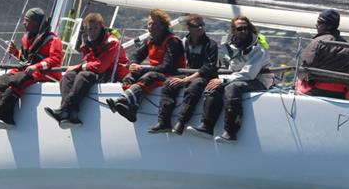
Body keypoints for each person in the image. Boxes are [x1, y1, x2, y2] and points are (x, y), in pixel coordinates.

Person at [187, 15, 273, 143]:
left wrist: (224, 80)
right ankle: (206, 126)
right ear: (233, 30)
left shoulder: (258, 48)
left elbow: (249, 74)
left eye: (246, 28)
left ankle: (231, 132)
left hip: (259, 80)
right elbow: (231, 67)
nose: (243, 31)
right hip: (237, 76)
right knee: (213, 85)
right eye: (239, 29)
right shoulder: (228, 45)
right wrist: (219, 80)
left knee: (233, 88)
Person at [43, 12, 129, 128]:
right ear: (85, 29)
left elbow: (101, 66)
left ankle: (64, 109)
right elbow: (88, 62)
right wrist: (78, 68)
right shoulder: (86, 42)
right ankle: (72, 115)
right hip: (96, 70)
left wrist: (78, 67)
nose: (93, 31)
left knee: (83, 75)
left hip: (111, 73)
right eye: (90, 29)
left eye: (96, 28)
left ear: (101, 27)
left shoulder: (112, 42)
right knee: (68, 76)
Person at [0, 7, 63, 128]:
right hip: (29, 71)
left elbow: (55, 59)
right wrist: (15, 52)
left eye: (26, 20)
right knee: (0, 81)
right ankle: (7, 117)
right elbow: (26, 59)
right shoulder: (27, 38)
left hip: (46, 74)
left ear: (35, 23)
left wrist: (37, 66)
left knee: (17, 81)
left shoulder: (53, 40)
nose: (23, 23)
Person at [107, 8, 185, 122]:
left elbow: (168, 67)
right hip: (155, 73)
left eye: (153, 23)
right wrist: (133, 64)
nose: (150, 26)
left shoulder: (172, 41)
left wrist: (142, 69)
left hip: (171, 75)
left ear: (163, 25)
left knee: (149, 76)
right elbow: (136, 55)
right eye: (148, 23)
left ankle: (122, 101)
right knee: (128, 78)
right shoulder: (150, 40)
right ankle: (132, 107)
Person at [149, 14, 218, 134]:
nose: (201, 28)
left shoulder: (211, 44)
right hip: (188, 74)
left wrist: (186, 80)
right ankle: (164, 122)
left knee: (194, 87)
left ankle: (181, 122)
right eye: (197, 26)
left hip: (205, 77)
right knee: (169, 83)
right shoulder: (184, 41)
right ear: (189, 28)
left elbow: (208, 68)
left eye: (202, 25)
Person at [295, 8, 349, 99]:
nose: (316, 25)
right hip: (340, 95)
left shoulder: (317, 43)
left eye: (319, 22)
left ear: (329, 26)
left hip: (315, 92)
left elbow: (304, 67)